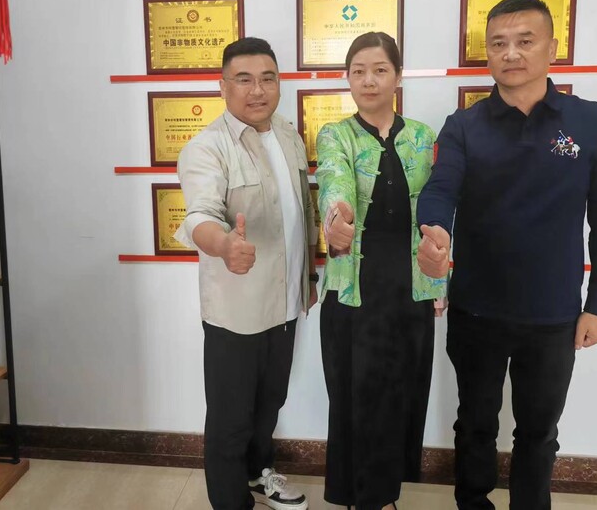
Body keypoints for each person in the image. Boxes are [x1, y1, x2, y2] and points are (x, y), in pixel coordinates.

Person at [416, 0, 597, 510]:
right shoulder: (464, 125)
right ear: (487, 54)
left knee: (539, 431)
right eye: (499, 44)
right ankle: (473, 503)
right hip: (477, 310)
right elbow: (441, 188)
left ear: (552, 48)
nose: (511, 53)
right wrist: (434, 231)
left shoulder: (589, 121)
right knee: (475, 424)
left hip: (554, 315)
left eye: (525, 41)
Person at [175, 37, 318, 510]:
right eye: (244, 80)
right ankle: (230, 501)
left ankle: (259, 475)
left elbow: (304, 212)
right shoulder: (206, 148)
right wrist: (224, 246)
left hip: (285, 303)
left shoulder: (288, 134)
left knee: (269, 403)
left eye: (267, 78)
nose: (257, 90)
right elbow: (200, 215)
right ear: (223, 86)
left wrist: (308, 278)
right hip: (236, 312)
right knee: (230, 419)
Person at [315, 31, 447, 510]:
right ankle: (362, 497)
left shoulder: (423, 137)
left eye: (379, 70)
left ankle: (384, 493)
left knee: (400, 395)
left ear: (398, 77)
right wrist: (337, 220)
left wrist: (439, 280)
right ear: (347, 78)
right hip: (355, 289)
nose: (368, 81)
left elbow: (436, 212)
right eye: (358, 71)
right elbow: (333, 180)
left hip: (410, 288)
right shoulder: (335, 134)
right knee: (355, 395)